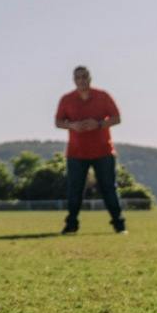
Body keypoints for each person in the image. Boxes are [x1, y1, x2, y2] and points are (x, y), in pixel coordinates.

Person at [54, 65, 126, 235]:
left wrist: (99, 124)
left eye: (84, 77)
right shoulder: (66, 99)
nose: (81, 80)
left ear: (90, 78)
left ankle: (119, 225)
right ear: (74, 80)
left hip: (103, 152)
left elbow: (117, 118)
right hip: (76, 153)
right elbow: (58, 122)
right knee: (74, 190)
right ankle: (71, 224)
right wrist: (72, 125)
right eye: (78, 77)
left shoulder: (103, 96)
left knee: (109, 188)